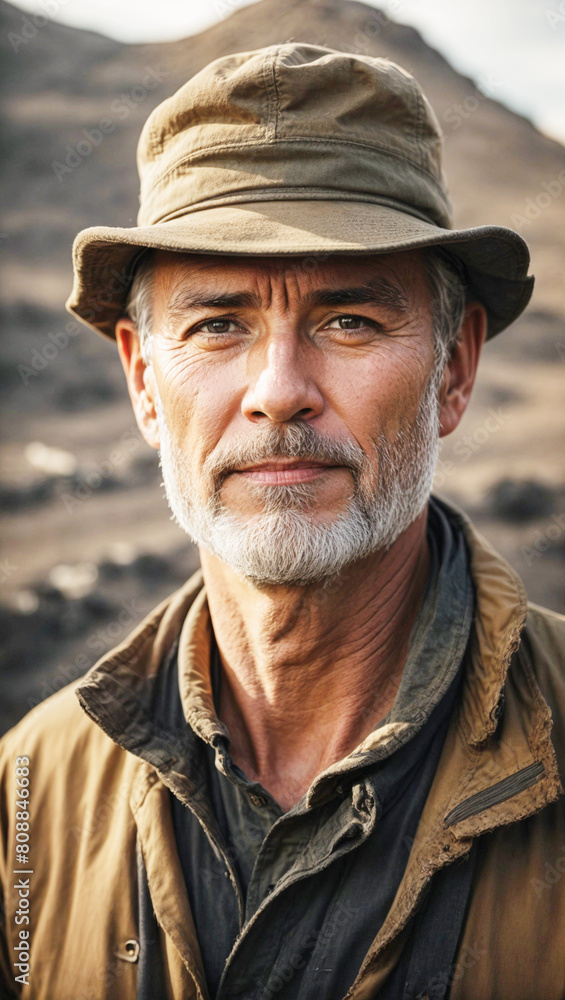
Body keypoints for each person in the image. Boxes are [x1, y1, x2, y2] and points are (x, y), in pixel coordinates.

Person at [1, 43, 564, 1000]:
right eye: (218, 323)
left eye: (348, 321)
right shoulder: (28, 799)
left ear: (453, 369)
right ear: (143, 378)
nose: (279, 393)